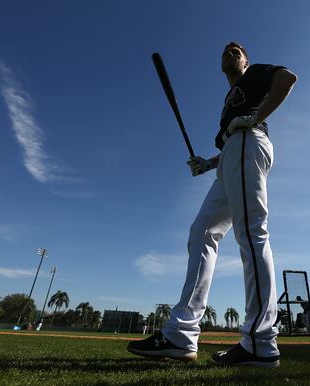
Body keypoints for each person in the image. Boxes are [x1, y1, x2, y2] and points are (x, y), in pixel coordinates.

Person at [127, 42, 297, 368]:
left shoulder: (256, 73)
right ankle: (181, 334)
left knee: (251, 232)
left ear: (246, 60)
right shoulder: (229, 98)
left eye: (237, 50)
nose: (230, 52)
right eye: (226, 51)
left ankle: (260, 342)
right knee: (202, 232)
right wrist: (207, 164)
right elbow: (234, 135)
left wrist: (254, 118)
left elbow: (287, 79)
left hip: (250, 142)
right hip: (233, 153)